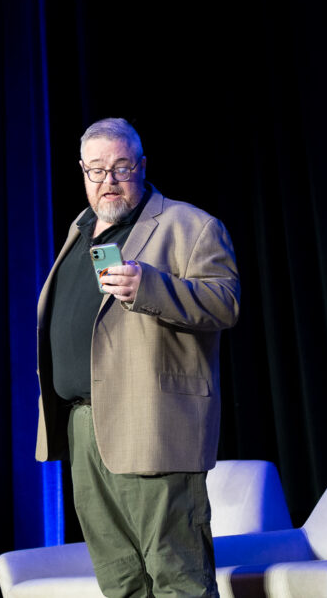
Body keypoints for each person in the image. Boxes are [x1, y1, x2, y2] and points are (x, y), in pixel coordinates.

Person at [35, 117, 240, 597]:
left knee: (178, 577)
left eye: (121, 167)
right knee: (120, 580)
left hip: (153, 423)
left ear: (142, 166)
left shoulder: (189, 226)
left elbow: (225, 303)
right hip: (85, 427)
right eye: (97, 170)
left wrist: (152, 286)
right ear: (82, 172)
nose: (109, 180)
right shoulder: (80, 232)